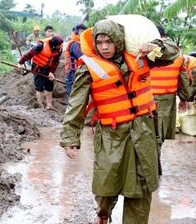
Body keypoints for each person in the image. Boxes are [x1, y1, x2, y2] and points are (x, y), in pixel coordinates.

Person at [60, 19, 180, 224]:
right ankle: (103, 214)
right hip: (111, 135)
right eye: (100, 42)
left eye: (109, 41)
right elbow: (76, 104)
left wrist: (156, 46)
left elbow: (172, 53)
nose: (104, 47)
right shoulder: (89, 66)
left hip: (143, 132)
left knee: (141, 189)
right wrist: (70, 137)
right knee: (106, 186)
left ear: (118, 40)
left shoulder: (141, 56)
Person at [149, 26, 190, 175]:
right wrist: (185, 98)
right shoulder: (178, 53)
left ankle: (152, 170)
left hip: (146, 98)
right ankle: (154, 169)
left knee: (149, 134)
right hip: (167, 99)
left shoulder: (147, 53)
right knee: (159, 134)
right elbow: (184, 78)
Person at [18, 35, 63, 110]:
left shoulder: (59, 49)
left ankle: (49, 105)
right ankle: (40, 105)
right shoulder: (40, 46)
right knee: (39, 86)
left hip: (48, 68)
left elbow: (55, 61)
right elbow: (29, 54)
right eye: (59, 45)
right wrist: (20, 63)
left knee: (49, 85)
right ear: (54, 45)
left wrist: (51, 72)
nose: (61, 46)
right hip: (38, 67)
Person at [64, 23, 87, 96]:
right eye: (81, 31)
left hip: (78, 71)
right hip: (73, 72)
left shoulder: (82, 43)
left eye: (84, 31)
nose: (82, 33)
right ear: (76, 32)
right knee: (72, 93)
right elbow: (81, 56)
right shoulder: (75, 44)